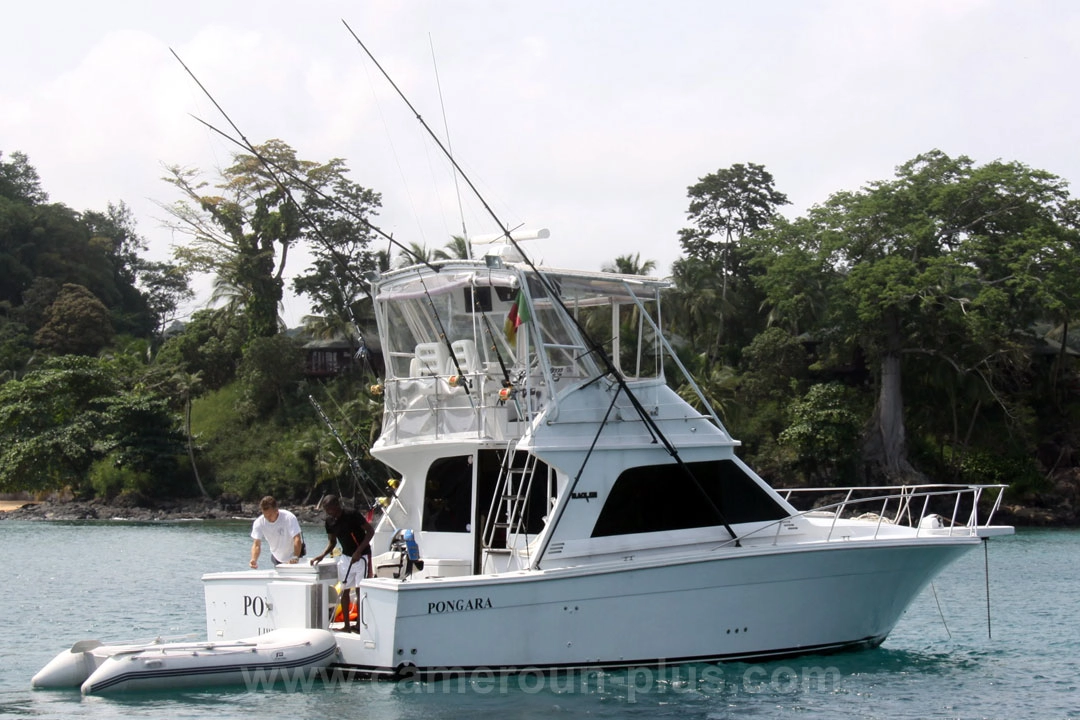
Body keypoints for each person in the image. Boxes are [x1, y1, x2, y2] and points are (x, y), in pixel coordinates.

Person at [310, 495, 375, 633]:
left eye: (330, 509)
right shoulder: (329, 521)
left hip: (362, 555)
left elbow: (370, 531)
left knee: (359, 589)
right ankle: (346, 625)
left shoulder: (352, 514)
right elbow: (332, 542)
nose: (329, 512)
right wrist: (322, 555)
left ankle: (359, 625)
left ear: (337, 505)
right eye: (326, 510)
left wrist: (359, 551)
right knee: (344, 589)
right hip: (346, 557)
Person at [249, 496, 304, 568]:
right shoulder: (259, 522)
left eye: (270, 515)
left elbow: (297, 538)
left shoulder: (288, 517)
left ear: (276, 510)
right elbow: (256, 545)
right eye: (265, 515)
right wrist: (254, 559)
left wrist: (295, 557)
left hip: (295, 554)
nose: (268, 518)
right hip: (277, 557)